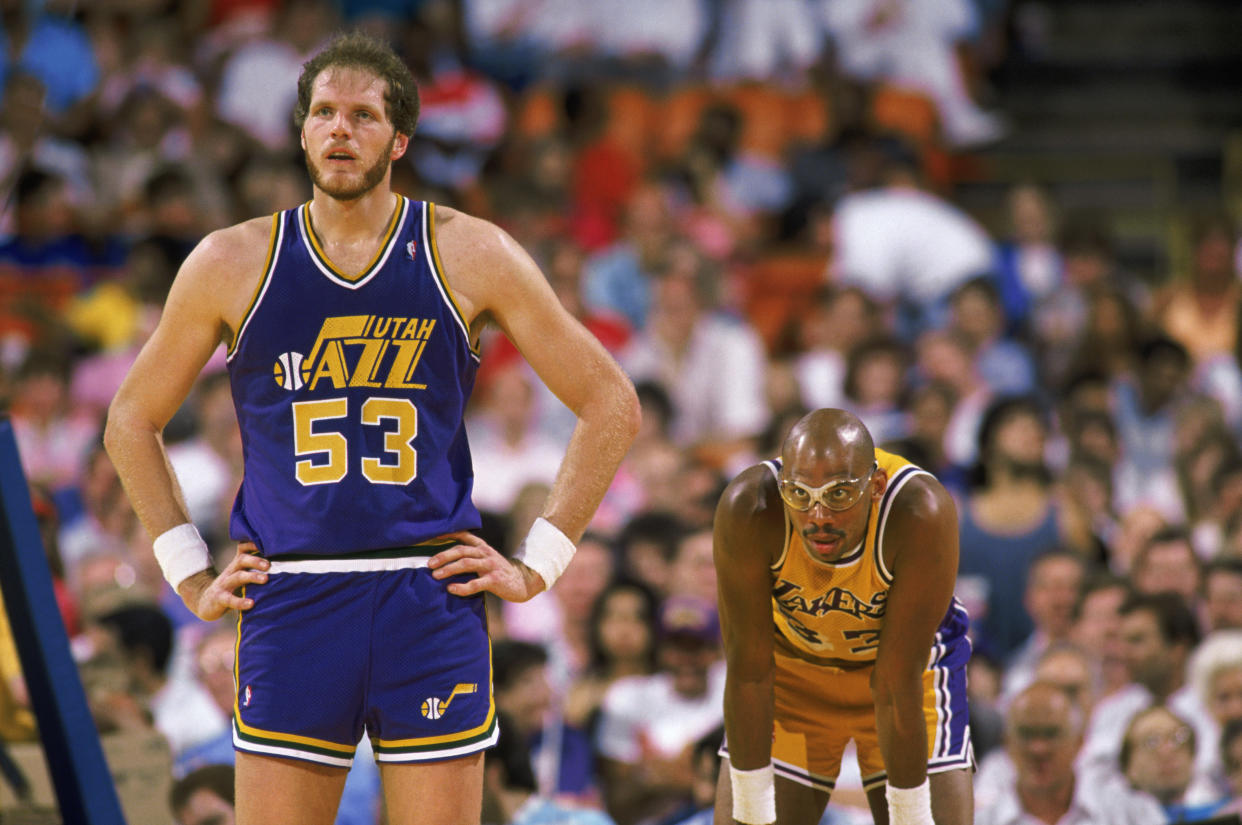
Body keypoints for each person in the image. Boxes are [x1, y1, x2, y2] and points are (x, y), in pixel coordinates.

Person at [103, 31, 640, 825]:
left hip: (428, 592)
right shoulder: (230, 260)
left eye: (362, 114)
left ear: (400, 139)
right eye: (323, 112)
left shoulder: (471, 250)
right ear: (300, 130)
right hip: (292, 593)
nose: (340, 129)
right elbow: (130, 418)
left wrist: (540, 563)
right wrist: (186, 569)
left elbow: (611, 402)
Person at [711, 408, 973, 825]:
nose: (819, 517)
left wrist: (910, 815)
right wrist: (752, 810)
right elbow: (749, 673)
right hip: (794, 673)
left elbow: (895, 683)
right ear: (782, 488)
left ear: (876, 486)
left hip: (907, 677)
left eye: (838, 495)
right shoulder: (750, 507)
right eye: (800, 495)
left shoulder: (919, 511)